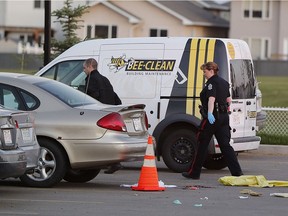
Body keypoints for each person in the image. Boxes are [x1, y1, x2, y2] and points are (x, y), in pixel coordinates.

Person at [182, 62, 243, 179]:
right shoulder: (224, 83)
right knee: (225, 146)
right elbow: (229, 100)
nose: (204, 74)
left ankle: (194, 173)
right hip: (224, 118)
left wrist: (210, 113)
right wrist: (224, 110)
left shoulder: (211, 83)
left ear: (211, 70)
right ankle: (237, 172)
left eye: (204, 71)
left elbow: (211, 99)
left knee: (202, 144)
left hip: (213, 117)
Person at [83, 58, 122, 174]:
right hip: (109, 114)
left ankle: (91, 162)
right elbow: (116, 99)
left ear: (90, 66)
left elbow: (90, 97)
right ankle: (115, 162)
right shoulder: (105, 79)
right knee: (108, 139)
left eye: (84, 68)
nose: (83, 71)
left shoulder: (91, 79)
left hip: (97, 114)